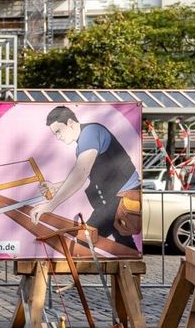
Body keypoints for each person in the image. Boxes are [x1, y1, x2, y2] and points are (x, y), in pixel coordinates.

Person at [29, 106, 139, 250]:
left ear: (70, 123)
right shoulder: (83, 143)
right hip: (114, 198)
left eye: (58, 131)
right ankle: (131, 271)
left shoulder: (90, 133)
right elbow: (90, 175)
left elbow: (81, 173)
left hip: (121, 198)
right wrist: (57, 187)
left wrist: (50, 206)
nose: (58, 136)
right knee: (125, 247)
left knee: (83, 241)